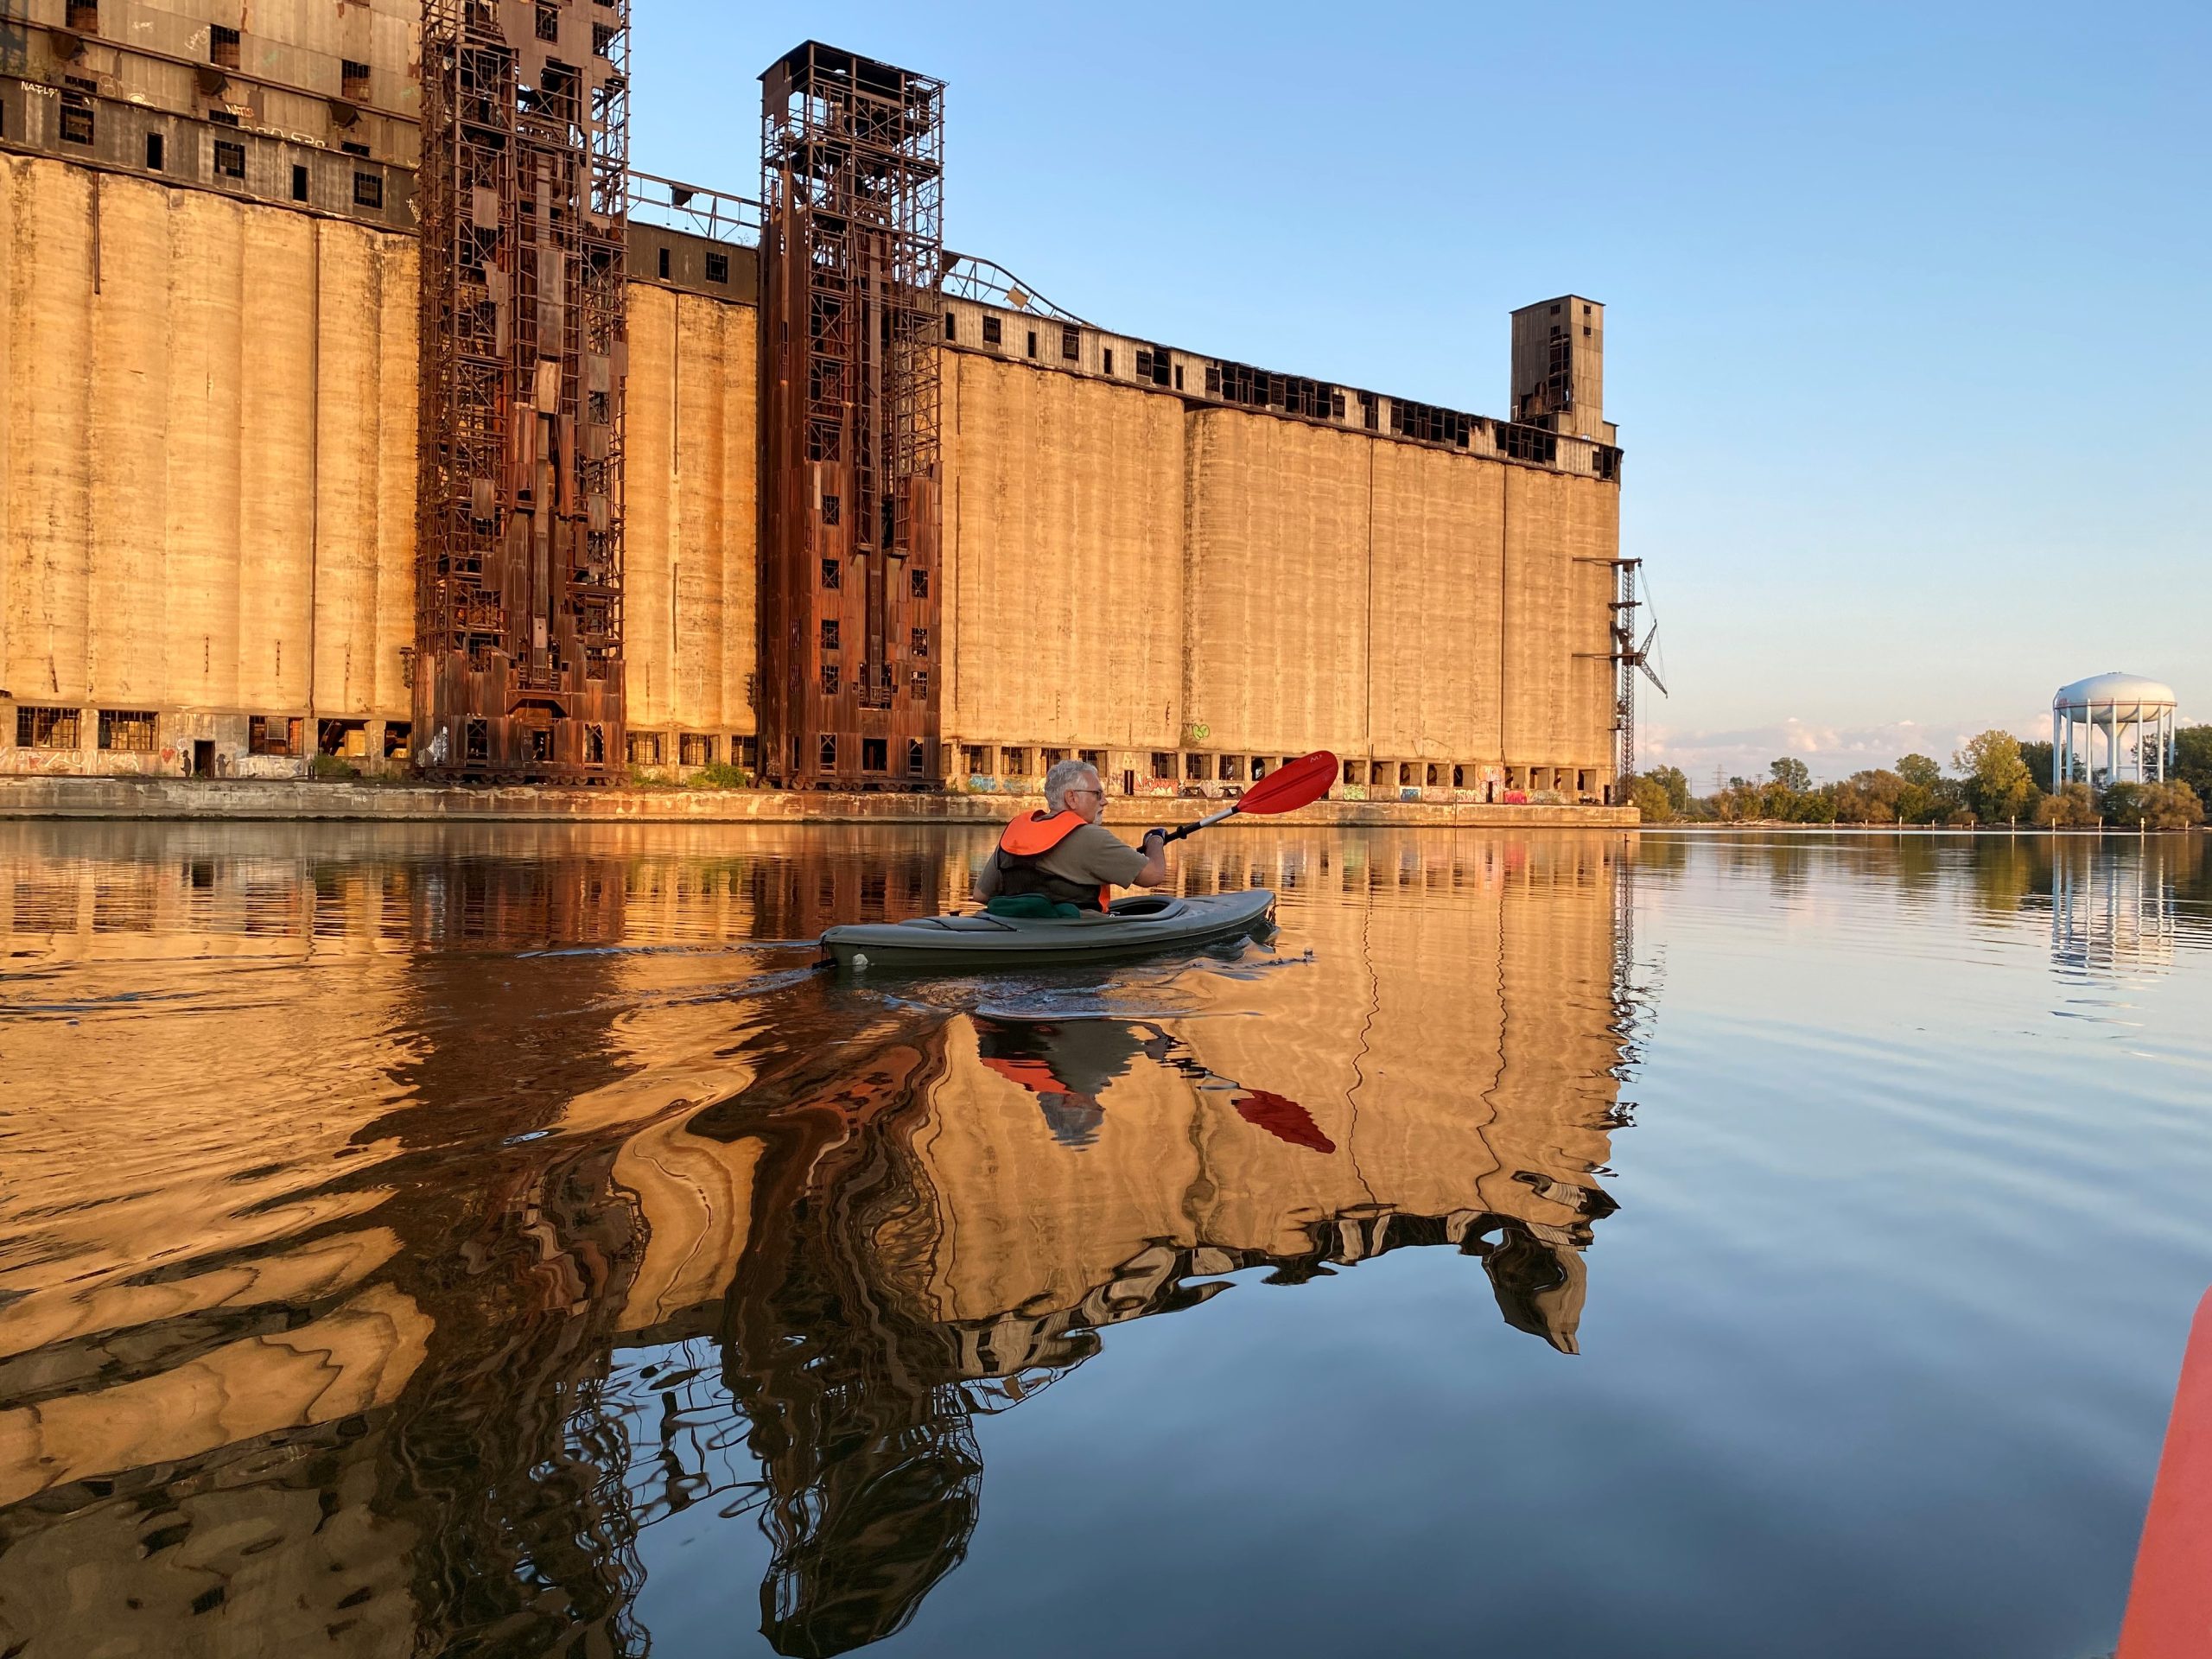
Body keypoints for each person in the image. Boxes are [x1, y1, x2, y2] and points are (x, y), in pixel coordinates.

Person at [975, 759, 1168, 913]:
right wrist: (1155, 839)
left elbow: (981, 895)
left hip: (1017, 929)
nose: (1105, 801)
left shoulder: (1016, 831)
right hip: (1074, 931)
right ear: (1071, 798)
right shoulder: (1091, 837)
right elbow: (1153, 875)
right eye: (1097, 794)